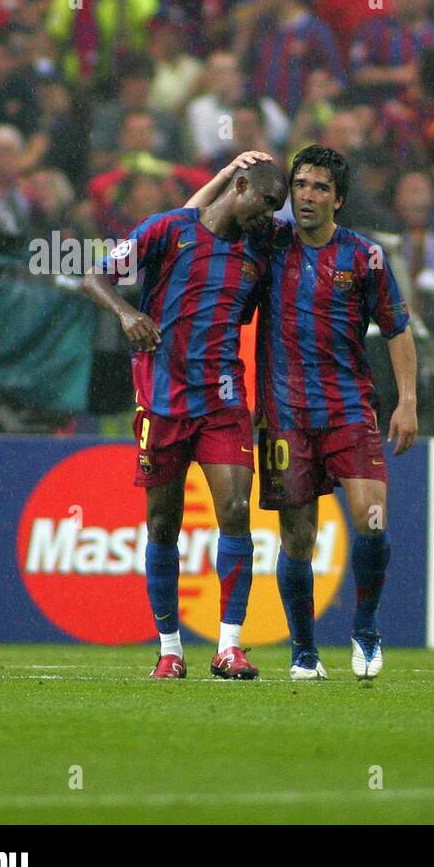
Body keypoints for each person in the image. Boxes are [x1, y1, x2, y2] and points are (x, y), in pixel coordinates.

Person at [187, 145, 418, 682]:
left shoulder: (365, 257)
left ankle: (365, 628)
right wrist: (230, 175)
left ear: (339, 200)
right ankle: (304, 652)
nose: (307, 196)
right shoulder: (268, 242)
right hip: (283, 416)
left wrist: (406, 401)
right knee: (297, 538)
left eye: (319, 188)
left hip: (348, 410)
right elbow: (195, 223)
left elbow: (398, 330)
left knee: (372, 522)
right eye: (300, 185)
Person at [81, 151, 288, 680]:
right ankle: (170, 649)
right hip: (162, 402)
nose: (271, 214)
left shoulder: (257, 255)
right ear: (239, 186)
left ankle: (229, 647)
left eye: (278, 207)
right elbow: (95, 277)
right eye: (267, 202)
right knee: (162, 525)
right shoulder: (169, 229)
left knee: (238, 511)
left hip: (222, 402)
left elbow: (247, 318)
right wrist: (128, 313)